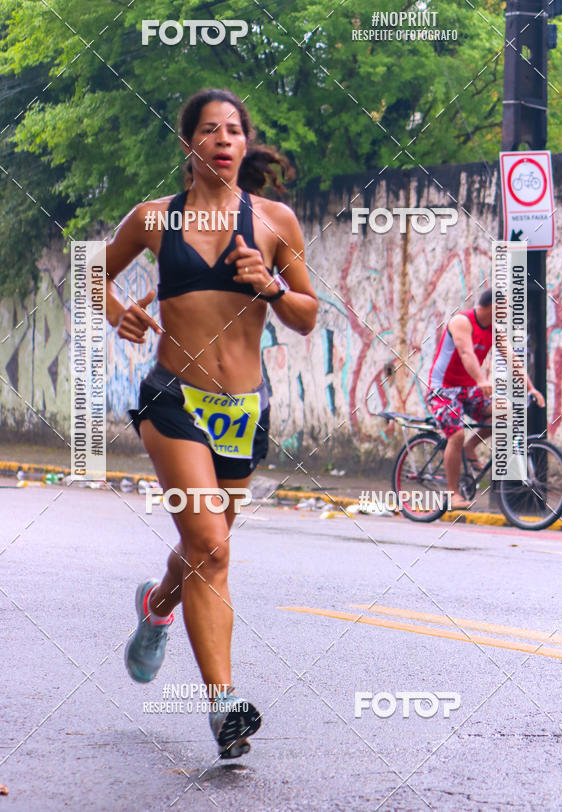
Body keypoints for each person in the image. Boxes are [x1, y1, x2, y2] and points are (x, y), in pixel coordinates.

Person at [104, 87, 318, 758]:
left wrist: (273, 286)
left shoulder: (275, 222)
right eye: (210, 130)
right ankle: (225, 705)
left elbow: (308, 313)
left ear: (244, 144)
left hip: (244, 411)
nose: (225, 140)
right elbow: (92, 272)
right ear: (188, 144)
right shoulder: (153, 221)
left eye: (234, 131)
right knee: (214, 549)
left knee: (205, 548)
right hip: (173, 400)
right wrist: (117, 313)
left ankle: (157, 606)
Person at [426, 288, 545, 511]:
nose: (509, 311)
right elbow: (466, 353)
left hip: (468, 388)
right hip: (443, 389)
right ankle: (452, 493)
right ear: (493, 305)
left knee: (506, 410)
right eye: (506, 307)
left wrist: (531, 388)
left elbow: (512, 359)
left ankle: (472, 446)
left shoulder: (494, 330)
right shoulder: (462, 321)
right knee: (456, 434)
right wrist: (481, 380)